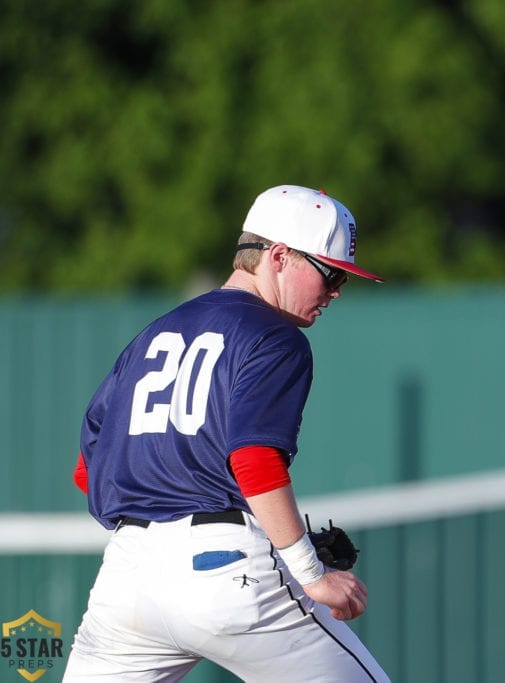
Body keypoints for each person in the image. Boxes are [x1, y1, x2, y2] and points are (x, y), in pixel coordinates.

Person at [64, 185, 391, 682]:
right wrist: (308, 570)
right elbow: (255, 459)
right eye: (331, 273)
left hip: (126, 579)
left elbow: (88, 469)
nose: (337, 290)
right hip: (226, 572)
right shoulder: (276, 337)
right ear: (279, 256)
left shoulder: (152, 334)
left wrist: (162, 527)